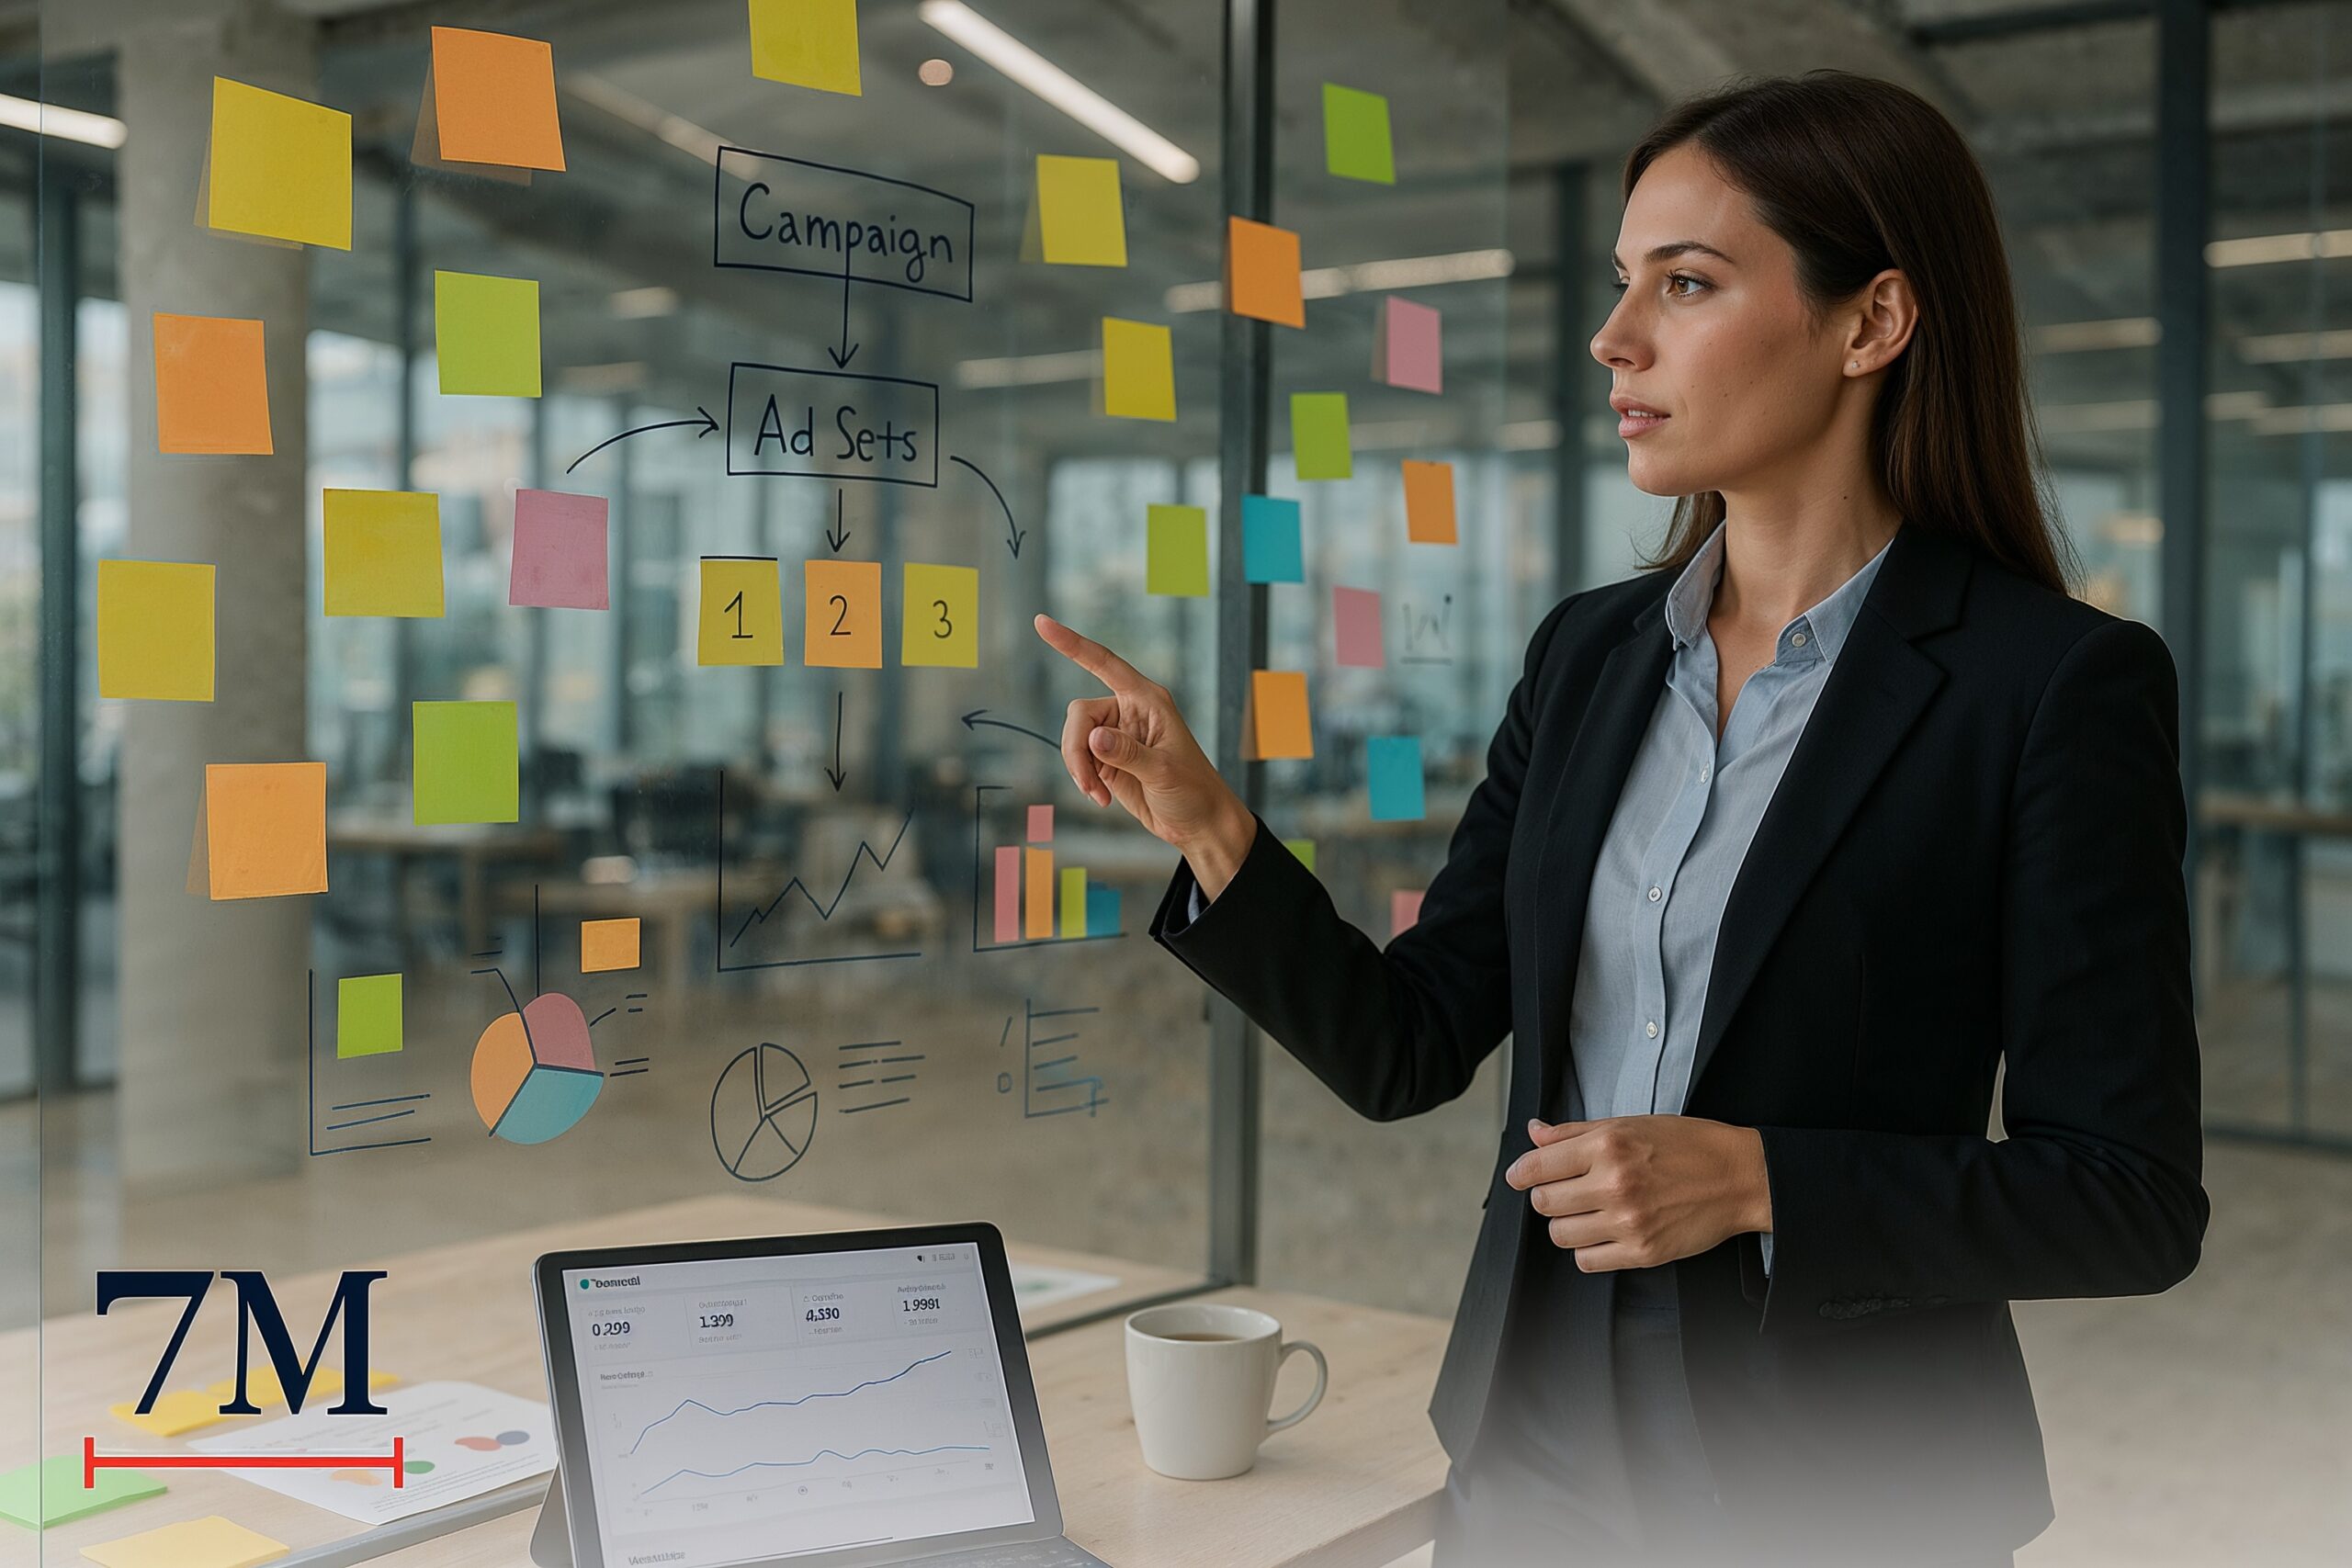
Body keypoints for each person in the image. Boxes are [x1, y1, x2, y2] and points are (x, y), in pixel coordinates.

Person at [1035, 69, 2206, 1568]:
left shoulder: (2050, 686)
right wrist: (1211, 829)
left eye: (1689, 282)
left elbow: (2130, 1200)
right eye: (1621, 284)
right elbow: (1408, 1045)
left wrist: (1764, 1178)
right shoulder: (1588, 655)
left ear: (1873, 323)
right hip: (1535, 1455)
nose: (1616, 337)